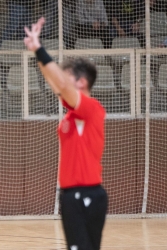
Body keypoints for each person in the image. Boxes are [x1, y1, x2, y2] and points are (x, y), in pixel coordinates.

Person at [24, 17, 108, 250]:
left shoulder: (91, 108)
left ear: (81, 82)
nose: (61, 80)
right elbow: (57, 84)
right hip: (71, 194)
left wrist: (40, 49)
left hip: (86, 192)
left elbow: (61, 85)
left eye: (67, 76)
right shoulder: (72, 112)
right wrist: (35, 51)